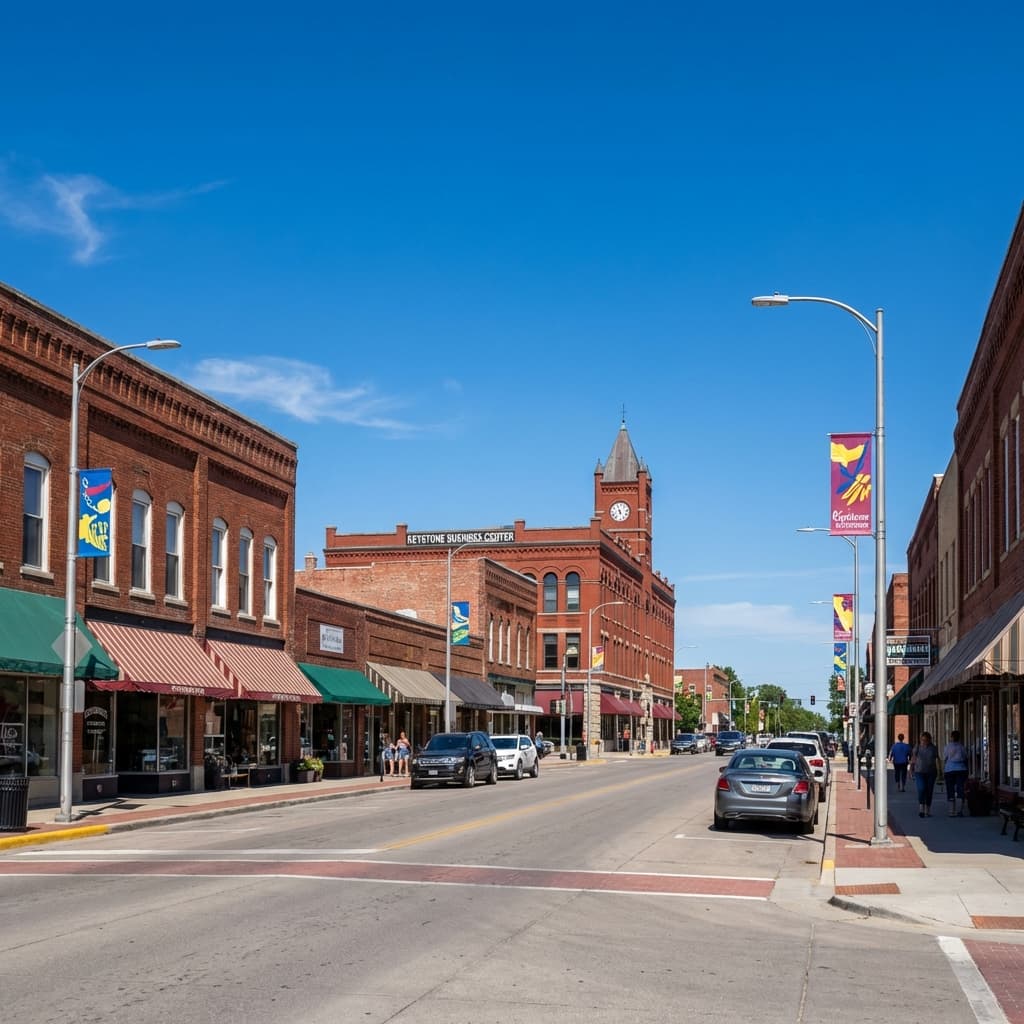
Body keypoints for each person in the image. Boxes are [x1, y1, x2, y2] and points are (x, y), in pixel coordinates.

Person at [911, 731, 939, 818]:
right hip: (919, 772)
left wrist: (940, 771)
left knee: (929, 791)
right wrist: (910, 769)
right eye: (923, 740)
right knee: (921, 789)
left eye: (926, 740)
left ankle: (928, 810)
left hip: (931, 772)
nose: (924, 742)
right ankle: (921, 808)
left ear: (929, 740)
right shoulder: (917, 747)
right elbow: (913, 758)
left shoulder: (933, 748)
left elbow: (937, 759)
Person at [942, 729, 969, 816]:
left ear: (951, 737)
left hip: (949, 769)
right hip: (961, 769)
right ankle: (960, 810)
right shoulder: (961, 747)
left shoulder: (947, 747)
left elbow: (945, 757)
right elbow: (965, 757)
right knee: (960, 788)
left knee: (950, 789)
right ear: (959, 738)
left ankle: (951, 811)